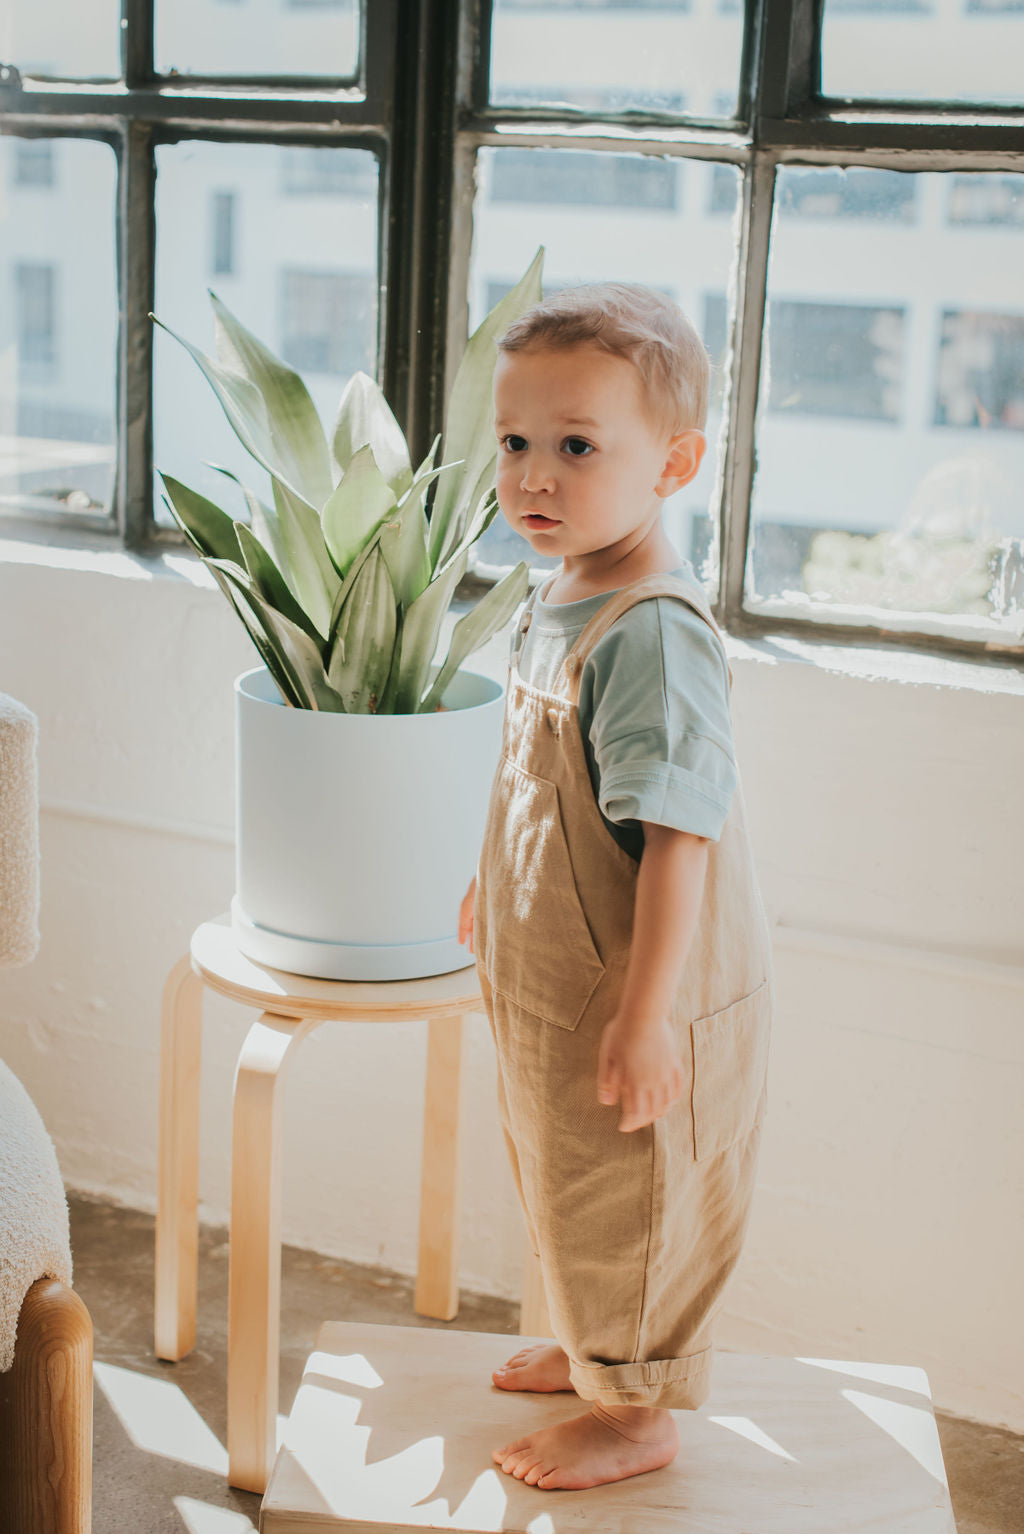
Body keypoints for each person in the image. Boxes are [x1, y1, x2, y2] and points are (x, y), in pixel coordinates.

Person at [458, 282, 773, 1492]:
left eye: (577, 447)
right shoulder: (562, 590)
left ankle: (636, 1404)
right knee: (561, 1168)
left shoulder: (647, 628)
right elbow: (543, 781)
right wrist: (490, 880)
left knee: (629, 1193)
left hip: (631, 982)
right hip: (557, 967)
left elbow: (678, 833)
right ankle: (599, 1354)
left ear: (674, 463)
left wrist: (648, 1017)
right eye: (517, 443)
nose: (535, 475)